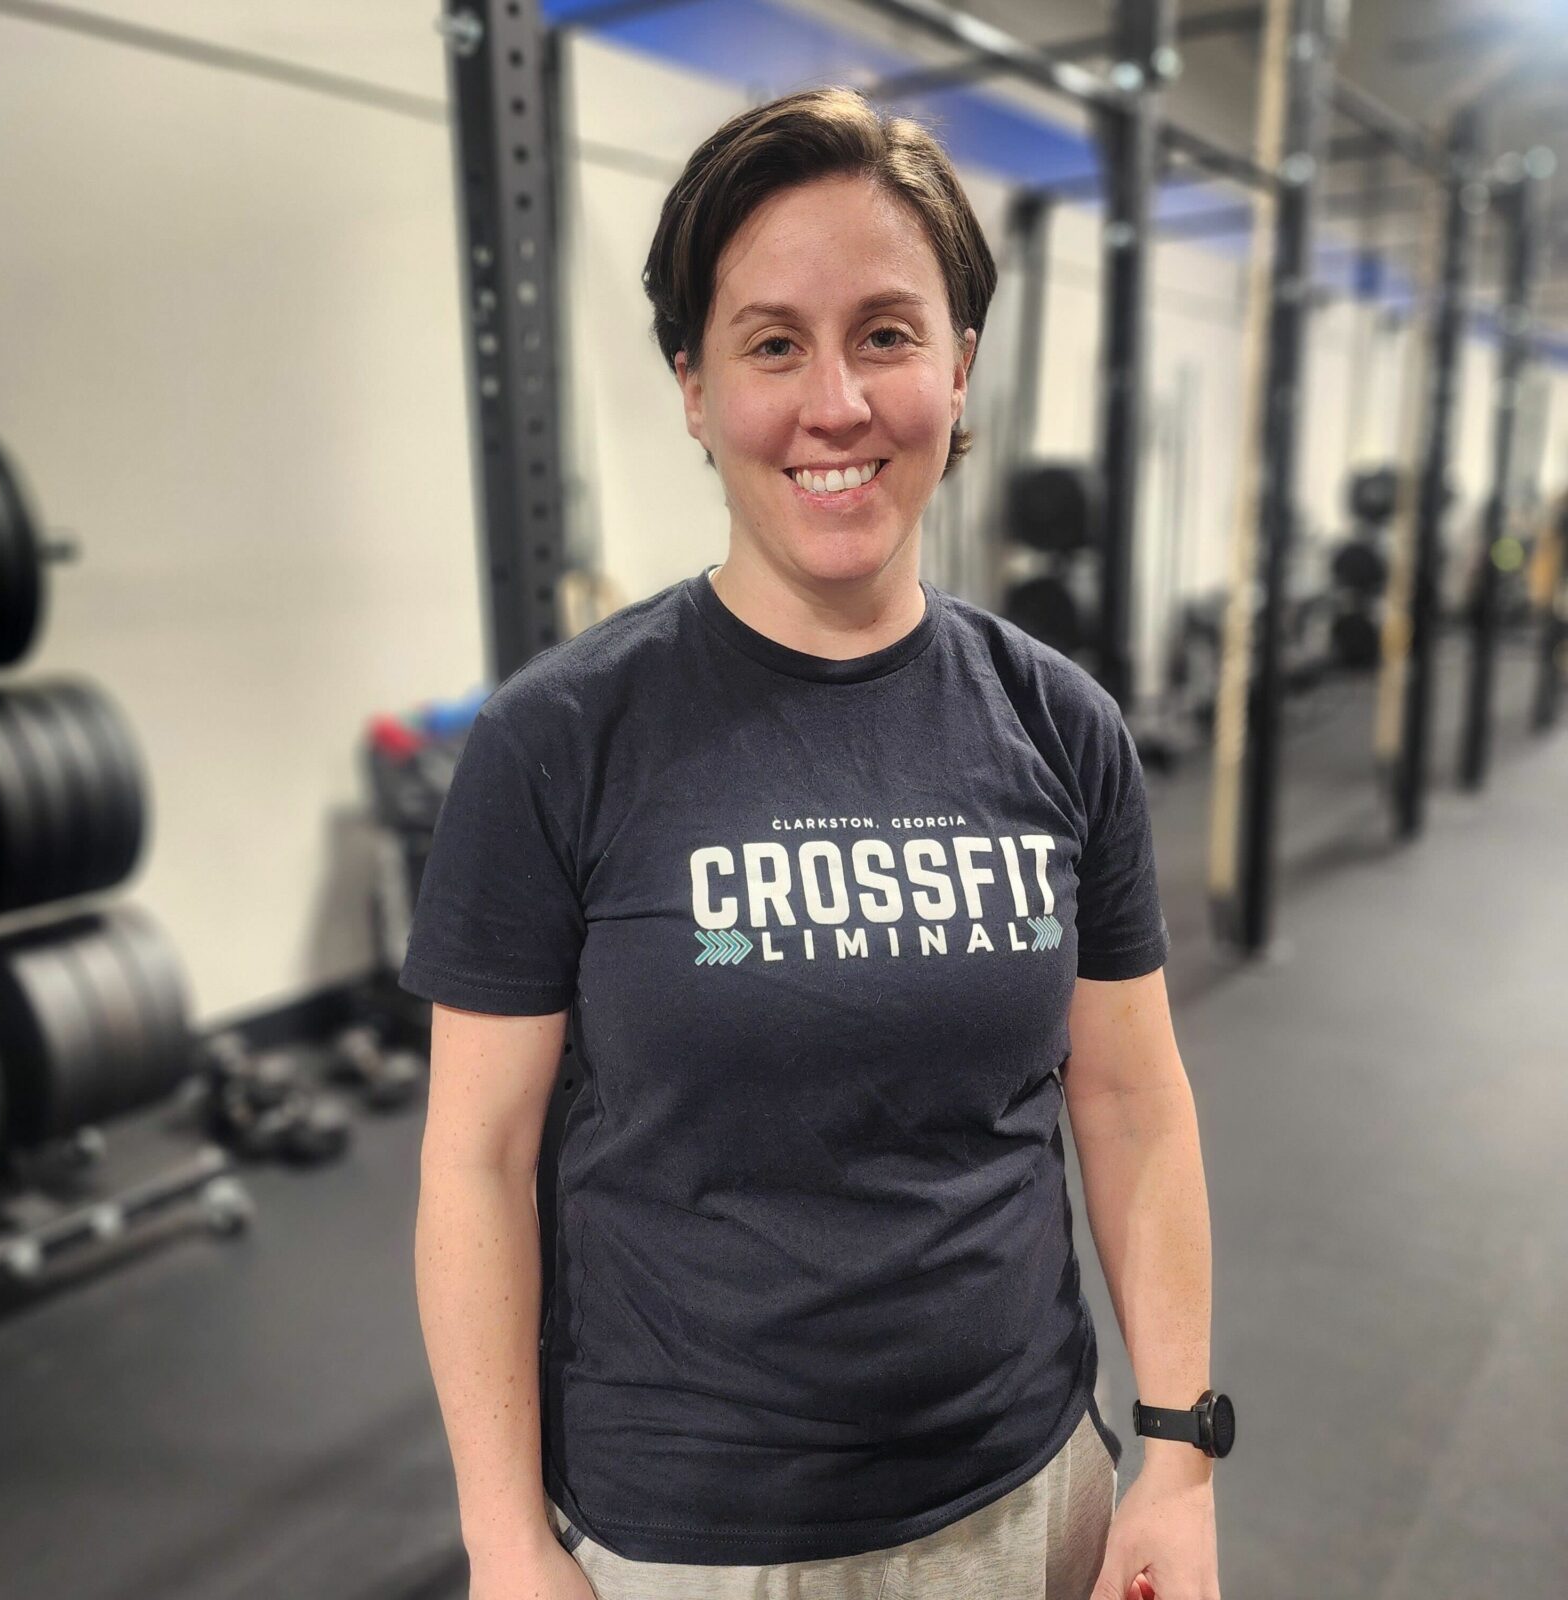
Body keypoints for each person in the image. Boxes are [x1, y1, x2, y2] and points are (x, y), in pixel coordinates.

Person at [405, 86, 1219, 1600]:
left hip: (1032, 1501)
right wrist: (507, 1542)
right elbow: (478, 1159)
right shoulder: (557, 741)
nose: (836, 402)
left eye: (889, 335)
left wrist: (1173, 1457)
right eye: (772, 342)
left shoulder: (1061, 727)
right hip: (688, 1547)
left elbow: (1131, 1101)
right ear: (696, 388)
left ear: (961, 369)